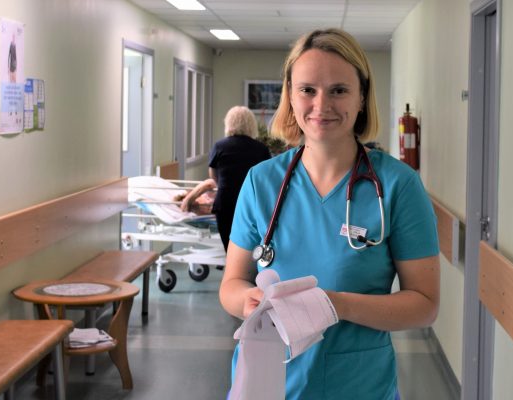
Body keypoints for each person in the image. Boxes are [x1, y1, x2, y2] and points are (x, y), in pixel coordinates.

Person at [220, 28, 440, 399]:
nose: (321, 105)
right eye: (308, 89)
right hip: (265, 383)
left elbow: (424, 305)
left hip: (358, 386)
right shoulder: (261, 182)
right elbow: (231, 284)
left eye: (338, 90)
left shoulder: (398, 186)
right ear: (291, 96)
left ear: (361, 97)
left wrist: (334, 305)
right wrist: (249, 301)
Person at [180, 106, 270, 251]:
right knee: (251, 247)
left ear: (229, 123)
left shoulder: (220, 146)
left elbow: (213, 177)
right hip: (251, 203)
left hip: (225, 204)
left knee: (229, 248)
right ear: (251, 124)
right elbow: (265, 178)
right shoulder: (261, 149)